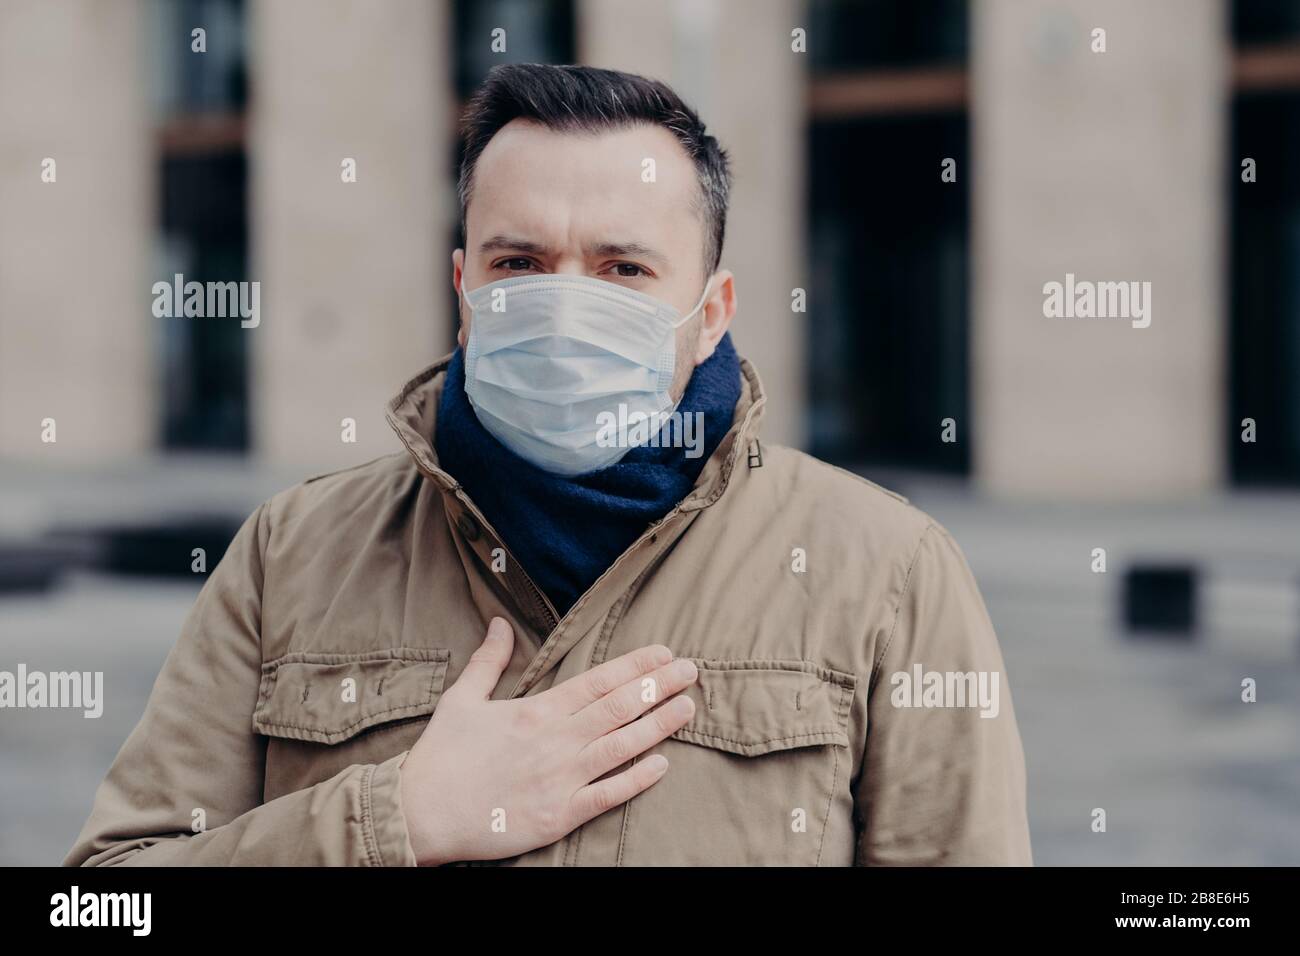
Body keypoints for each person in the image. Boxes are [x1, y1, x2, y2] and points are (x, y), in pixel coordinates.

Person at [66, 64, 1031, 867]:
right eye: (519, 263)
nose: (566, 309)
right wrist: (392, 820)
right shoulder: (294, 553)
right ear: (464, 286)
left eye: (624, 270)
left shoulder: (888, 572)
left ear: (714, 309)